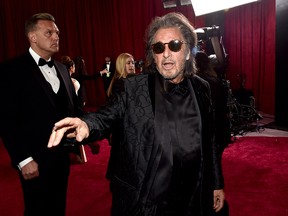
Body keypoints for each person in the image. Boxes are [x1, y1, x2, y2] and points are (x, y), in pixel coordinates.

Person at [48, 12, 225, 216]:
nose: (166, 53)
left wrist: (216, 183)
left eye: (174, 45)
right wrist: (86, 125)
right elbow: (106, 116)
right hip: (147, 200)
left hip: (193, 197)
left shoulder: (202, 88)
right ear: (153, 54)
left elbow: (210, 141)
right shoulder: (132, 88)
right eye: (159, 47)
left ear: (187, 52)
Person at [0, 13, 83, 216]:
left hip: (62, 158)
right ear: (33, 37)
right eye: (49, 32)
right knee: (36, 209)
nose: (56, 37)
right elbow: (6, 119)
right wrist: (23, 159)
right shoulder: (11, 70)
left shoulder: (63, 69)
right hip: (33, 160)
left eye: (57, 33)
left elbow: (74, 110)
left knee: (58, 207)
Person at [105, 53, 136, 182]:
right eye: (128, 63)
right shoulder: (121, 83)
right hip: (123, 128)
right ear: (121, 65)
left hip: (127, 127)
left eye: (133, 62)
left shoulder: (129, 81)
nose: (132, 65)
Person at [195, 51, 231, 155]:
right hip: (218, 125)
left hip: (204, 126)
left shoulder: (194, 82)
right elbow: (224, 106)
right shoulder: (216, 81)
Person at [61, 55, 87, 163]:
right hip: (72, 111)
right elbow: (74, 99)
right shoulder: (73, 82)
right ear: (71, 67)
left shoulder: (62, 79)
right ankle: (78, 155)